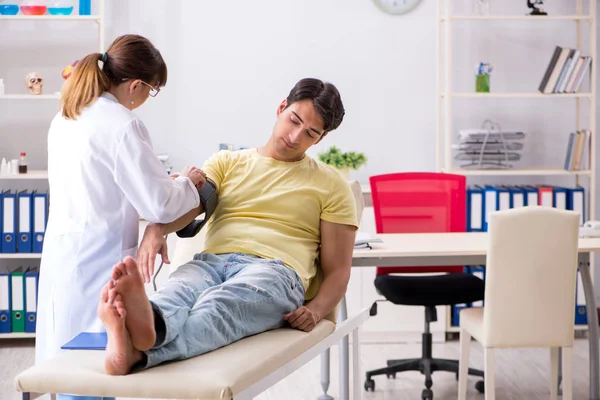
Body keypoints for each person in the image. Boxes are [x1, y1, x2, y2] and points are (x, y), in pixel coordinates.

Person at [98, 77, 358, 375]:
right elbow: (191, 204)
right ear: (281, 107)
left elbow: (338, 270)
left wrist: (315, 310)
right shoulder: (227, 162)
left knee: (220, 305)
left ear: (320, 139)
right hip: (212, 263)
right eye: (294, 120)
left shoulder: (332, 185)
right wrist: (158, 228)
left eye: (310, 133)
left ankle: (143, 342)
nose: (296, 136)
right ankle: (147, 328)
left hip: (277, 271)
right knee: (179, 289)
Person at [36, 34, 206, 397]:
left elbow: (108, 185)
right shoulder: (122, 124)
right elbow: (158, 205)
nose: (148, 99)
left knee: (67, 374)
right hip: (99, 263)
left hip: (64, 260)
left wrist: (162, 186)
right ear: (137, 85)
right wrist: (189, 183)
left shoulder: (67, 115)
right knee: (94, 375)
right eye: (153, 90)